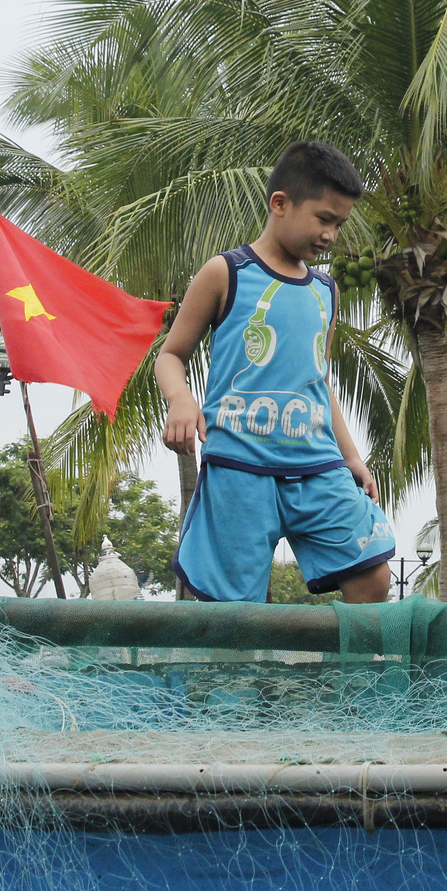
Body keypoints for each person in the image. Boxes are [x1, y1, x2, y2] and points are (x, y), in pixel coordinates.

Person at [158, 141, 396, 603]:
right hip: (239, 469)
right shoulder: (225, 273)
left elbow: (320, 382)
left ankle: (346, 678)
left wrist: (351, 458)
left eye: (339, 225)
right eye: (324, 219)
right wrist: (181, 400)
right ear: (281, 204)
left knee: (373, 577)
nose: (331, 234)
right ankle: (240, 679)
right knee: (232, 615)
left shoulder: (325, 291)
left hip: (316, 466)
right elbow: (170, 355)